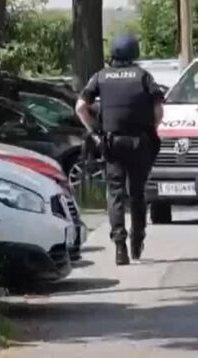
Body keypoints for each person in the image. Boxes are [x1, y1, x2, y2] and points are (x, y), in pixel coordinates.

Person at [75, 35, 165, 266]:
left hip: (112, 143)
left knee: (115, 193)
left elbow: (81, 107)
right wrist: (152, 128)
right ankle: (137, 241)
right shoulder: (143, 76)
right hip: (139, 142)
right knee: (137, 193)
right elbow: (158, 110)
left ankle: (119, 246)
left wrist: (95, 131)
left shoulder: (100, 76)